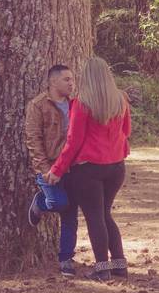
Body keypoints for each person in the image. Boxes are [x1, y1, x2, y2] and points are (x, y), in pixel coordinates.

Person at [45, 57, 131, 281]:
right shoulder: (121, 100)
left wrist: (57, 169)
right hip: (116, 167)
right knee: (105, 214)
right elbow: (127, 131)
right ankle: (119, 265)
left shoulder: (83, 103)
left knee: (95, 218)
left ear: (87, 76)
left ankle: (103, 269)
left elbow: (73, 141)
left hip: (89, 170)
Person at [24, 64, 80, 278]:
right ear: (53, 81)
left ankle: (66, 259)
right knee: (58, 203)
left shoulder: (76, 105)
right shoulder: (38, 105)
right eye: (66, 79)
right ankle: (39, 202)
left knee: (70, 216)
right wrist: (45, 168)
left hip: (72, 168)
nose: (71, 83)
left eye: (72, 79)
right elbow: (33, 138)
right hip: (49, 167)